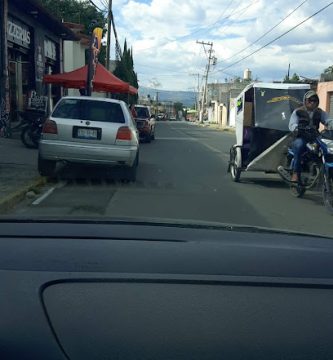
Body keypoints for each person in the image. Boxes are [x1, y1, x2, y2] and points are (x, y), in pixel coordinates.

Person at [288, 90, 329, 182]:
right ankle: (296, 173)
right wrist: (297, 128)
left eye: (315, 100)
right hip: (301, 137)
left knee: (326, 148)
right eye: (310, 100)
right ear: (305, 101)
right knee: (299, 146)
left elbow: (328, 120)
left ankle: (323, 170)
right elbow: (292, 124)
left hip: (314, 137)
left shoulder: (319, 112)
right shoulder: (298, 111)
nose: (312, 102)